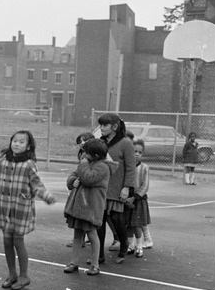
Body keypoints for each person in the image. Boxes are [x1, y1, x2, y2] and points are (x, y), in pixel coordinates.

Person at [0, 129, 56, 290]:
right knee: (6, 240)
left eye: (21, 141)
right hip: (4, 207)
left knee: (18, 240)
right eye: (15, 140)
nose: (17, 144)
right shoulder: (4, 161)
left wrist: (47, 196)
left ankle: (24, 276)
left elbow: (37, 185)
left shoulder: (28, 165)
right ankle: (12, 274)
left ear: (29, 146)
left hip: (21, 209)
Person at [63, 137, 113, 276]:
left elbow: (88, 178)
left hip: (91, 208)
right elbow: (74, 176)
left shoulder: (103, 167)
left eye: (86, 152)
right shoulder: (86, 164)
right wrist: (72, 181)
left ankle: (95, 265)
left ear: (96, 155)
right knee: (77, 234)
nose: (83, 155)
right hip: (79, 207)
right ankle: (73, 262)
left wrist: (83, 166)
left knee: (92, 235)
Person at [93, 112, 136, 266]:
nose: (102, 128)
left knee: (117, 219)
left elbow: (131, 168)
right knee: (99, 222)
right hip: (101, 188)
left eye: (105, 125)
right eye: (100, 125)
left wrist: (127, 187)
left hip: (117, 188)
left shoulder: (126, 143)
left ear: (115, 127)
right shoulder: (99, 142)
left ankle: (124, 246)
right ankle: (98, 255)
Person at [124, 139, 151, 257]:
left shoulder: (145, 168)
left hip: (138, 200)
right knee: (128, 224)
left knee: (137, 224)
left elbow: (145, 185)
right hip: (127, 199)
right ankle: (131, 245)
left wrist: (134, 198)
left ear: (142, 154)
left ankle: (139, 246)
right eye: (134, 151)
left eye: (140, 152)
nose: (137, 154)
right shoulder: (127, 166)